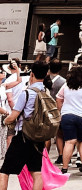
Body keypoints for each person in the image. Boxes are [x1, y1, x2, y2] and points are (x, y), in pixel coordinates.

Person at [0, 61, 50, 190]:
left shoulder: (27, 93)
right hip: (39, 136)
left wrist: (6, 121)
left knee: (4, 172)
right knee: (36, 172)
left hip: (23, 136)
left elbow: (14, 115)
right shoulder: (46, 92)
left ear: (32, 74)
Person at [56, 65, 82, 175]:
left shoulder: (66, 85)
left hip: (67, 115)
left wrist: (61, 111)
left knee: (69, 142)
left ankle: (64, 168)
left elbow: (58, 99)